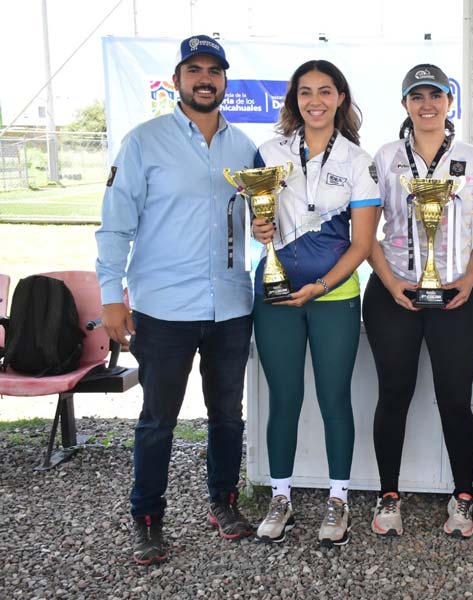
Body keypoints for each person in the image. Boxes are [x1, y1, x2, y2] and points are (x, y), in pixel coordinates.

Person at [96, 35, 257, 565]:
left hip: (232, 306)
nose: (205, 78)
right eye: (195, 70)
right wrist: (110, 297)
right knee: (157, 419)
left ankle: (223, 502)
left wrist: (266, 225)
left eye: (214, 70)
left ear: (226, 82)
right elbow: (115, 226)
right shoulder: (144, 141)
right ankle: (147, 518)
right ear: (178, 79)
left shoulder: (246, 148)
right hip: (163, 308)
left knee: (228, 416)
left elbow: (262, 221)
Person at [250, 60, 379, 547]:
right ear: (294, 99)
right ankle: (280, 496)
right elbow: (257, 223)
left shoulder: (358, 161)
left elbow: (362, 244)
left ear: (341, 98)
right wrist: (258, 228)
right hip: (276, 295)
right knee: (283, 399)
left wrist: (322, 286)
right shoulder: (269, 151)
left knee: (333, 398)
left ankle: (338, 498)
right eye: (305, 92)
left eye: (325, 91)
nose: (315, 101)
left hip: (334, 296)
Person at [364, 63, 473, 538]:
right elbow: (367, 233)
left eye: (435, 95)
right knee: (394, 394)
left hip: (456, 294)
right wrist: (390, 281)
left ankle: (462, 498)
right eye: (416, 96)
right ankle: (389, 495)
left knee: (455, 399)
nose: (426, 105)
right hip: (394, 291)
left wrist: (470, 279)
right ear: (405, 105)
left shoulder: (472, 158)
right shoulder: (385, 157)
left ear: (448, 102)